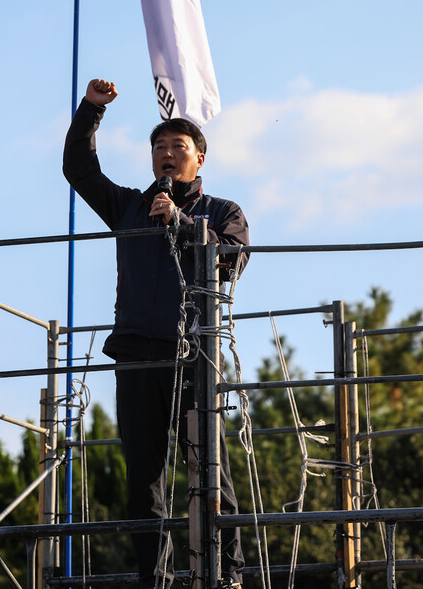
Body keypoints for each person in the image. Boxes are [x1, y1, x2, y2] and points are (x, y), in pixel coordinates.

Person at [63, 78, 248, 589]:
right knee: (144, 477)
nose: (167, 154)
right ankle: (156, 579)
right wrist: (91, 110)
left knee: (208, 468)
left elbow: (231, 260)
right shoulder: (128, 206)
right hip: (136, 356)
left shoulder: (223, 212)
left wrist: (184, 223)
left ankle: (226, 575)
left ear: (199, 159)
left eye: (178, 146)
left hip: (194, 357)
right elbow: (78, 169)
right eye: (159, 147)